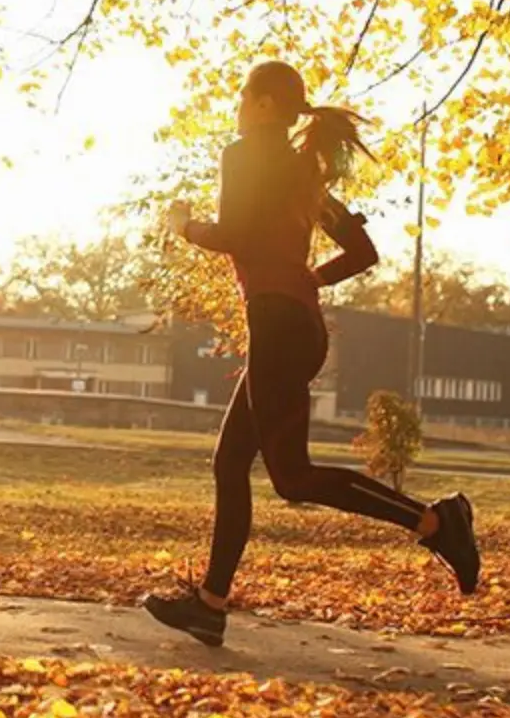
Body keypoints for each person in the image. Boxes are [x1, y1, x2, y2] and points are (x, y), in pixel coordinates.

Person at [142, 60, 479, 648]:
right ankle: (210, 605)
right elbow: (363, 251)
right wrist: (306, 281)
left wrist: (185, 225)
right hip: (292, 322)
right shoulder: (304, 176)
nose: (239, 106)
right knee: (230, 465)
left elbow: (235, 234)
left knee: (292, 478)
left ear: (267, 104)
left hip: (278, 326)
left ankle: (436, 522)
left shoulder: (244, 153)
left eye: (244, 96)